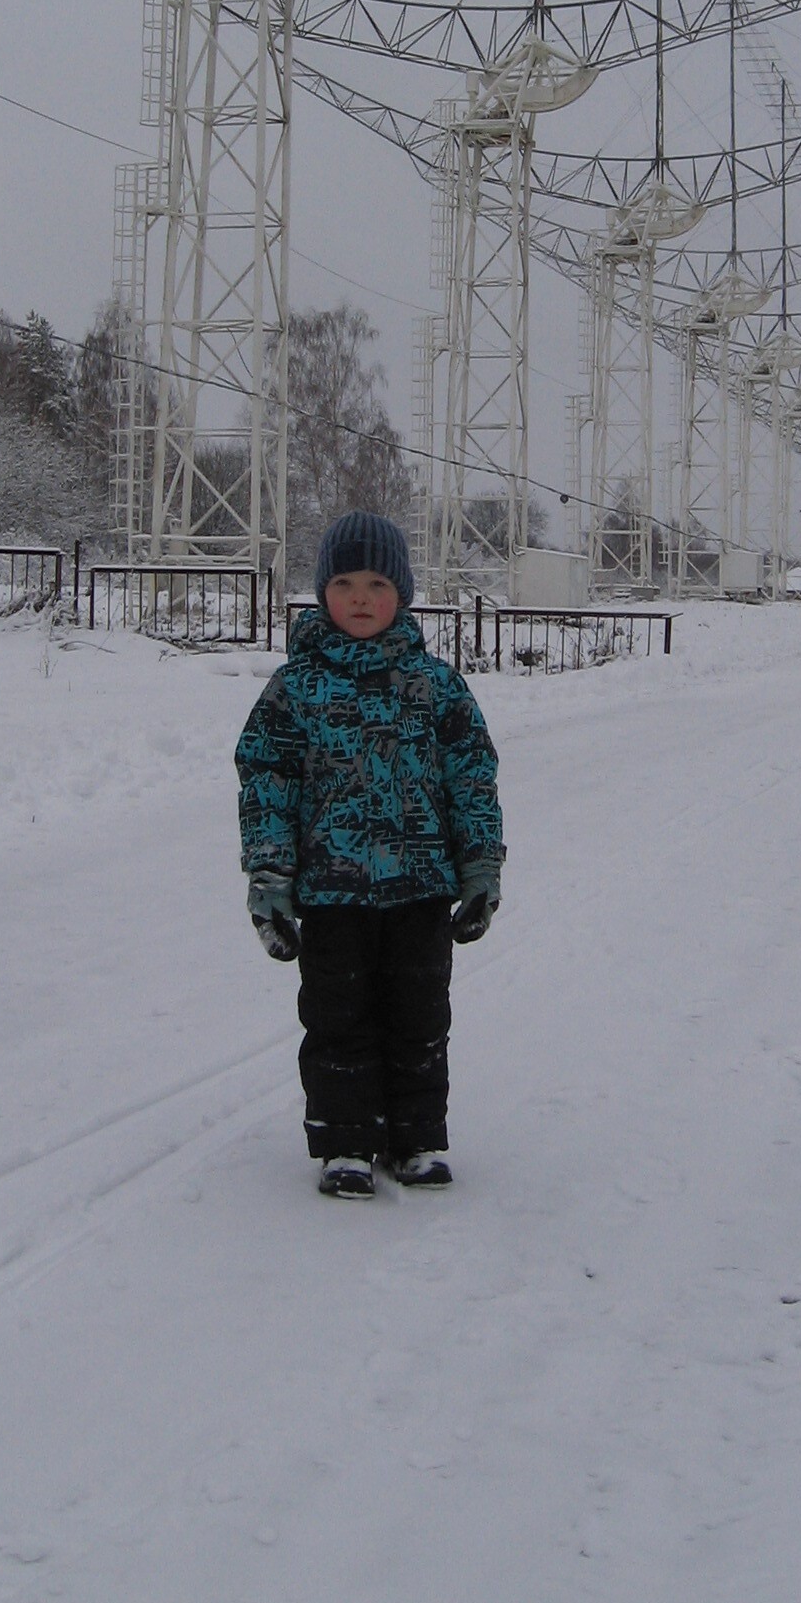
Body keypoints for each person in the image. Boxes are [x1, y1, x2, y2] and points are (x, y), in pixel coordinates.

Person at [236, 510, 505, 1199]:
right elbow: (267, 782)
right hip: (332, 892)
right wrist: (270, 877)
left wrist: (479, 868)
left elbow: (471, 778)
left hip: (419, 890)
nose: (361, 596)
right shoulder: (296, 689)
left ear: (404, 593)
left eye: (378, 582)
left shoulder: (435, 685)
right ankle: (347, 1142)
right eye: (347, 581)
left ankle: (416, 1138)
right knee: (337, 1019)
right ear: (324, 591)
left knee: (419, 1017)